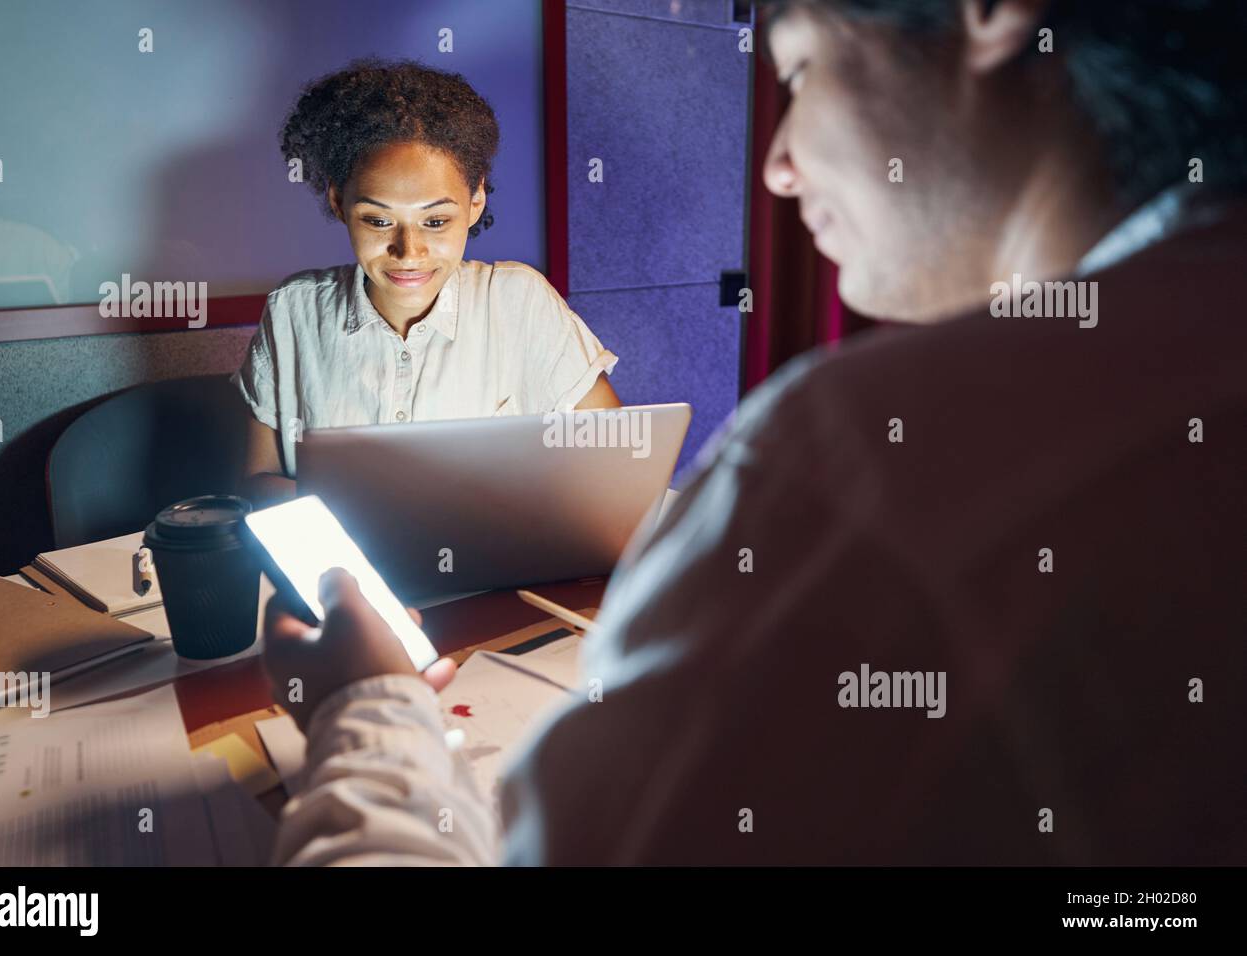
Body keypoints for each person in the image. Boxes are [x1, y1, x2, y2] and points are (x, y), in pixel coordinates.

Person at [262, 0, 1247, 865]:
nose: (774, 168)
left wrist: (368, 710)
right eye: (375, 219)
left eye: (804, 67)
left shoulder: (843, 464)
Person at [233, 60, 619, 505]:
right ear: (339, 202)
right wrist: (367, 506)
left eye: (435, 221)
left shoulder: (519, 301)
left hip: (492, 564)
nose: (408, 251)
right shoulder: (293, 313)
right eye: (378, 220)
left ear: (475, 202)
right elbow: (256, 481)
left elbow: (613, 454)